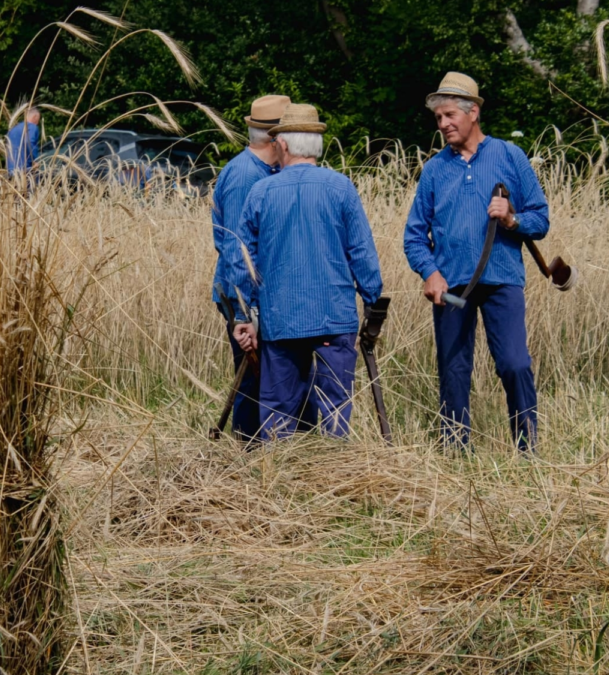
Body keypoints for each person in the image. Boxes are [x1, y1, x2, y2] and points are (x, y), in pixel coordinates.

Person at [402, 72, 549, 452]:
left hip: (503, 280)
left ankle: (527, 448)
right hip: (452, 288)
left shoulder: (509, 156)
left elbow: (541, 219)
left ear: (474, 112)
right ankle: (454, 450)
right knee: (453, 371)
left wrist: (513, 219)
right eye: (439, 119)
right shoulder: (435, 168)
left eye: (450, 115)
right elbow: (414, 236)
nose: (444, 124)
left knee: (515, 363)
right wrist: (430, 272)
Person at [230, 104, 383, 440]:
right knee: (334, 404)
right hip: (334, 316)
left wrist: (244, 315)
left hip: (281, 320)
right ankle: (332, 471)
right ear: (317, 145)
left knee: (278, 406)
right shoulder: (341, 187)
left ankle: (277, 478)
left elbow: (241, 260)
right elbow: (362, 252)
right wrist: (373, 302)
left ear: (282, 145)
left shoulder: (261, 192)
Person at [211, 94, 289, 441]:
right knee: (251, 379)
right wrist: (246, 312)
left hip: (255, 296)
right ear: (277, 138)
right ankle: (247, 455)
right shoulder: (246, 177)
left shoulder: (264, 172)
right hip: (244, 296)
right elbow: (235, 250)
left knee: (262, 377)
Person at [6, 106, 41, 176]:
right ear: (34, 117)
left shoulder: (12, 130)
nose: (37, 123)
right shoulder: (32, 127)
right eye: (38, 119)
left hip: (11, 169)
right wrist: (34, 160)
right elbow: (29, 142)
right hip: (25, 169)